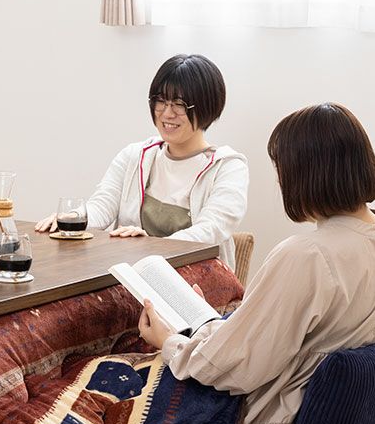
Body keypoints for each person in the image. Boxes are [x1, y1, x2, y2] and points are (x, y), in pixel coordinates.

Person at [139, 103, 375, 424]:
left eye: (282, 169)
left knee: (135, 382)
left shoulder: (307, 254)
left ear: (307, 172)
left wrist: (168, 342)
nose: (280, 181)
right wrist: (209, 326)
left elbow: (234, 369)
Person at [35, 54, 248, 270]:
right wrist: (72, 218)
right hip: (135, 276)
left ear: (207, 107)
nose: (167, 113)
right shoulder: (135, 156)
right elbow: (102, 205)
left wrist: (151, 248)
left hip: (196, 279)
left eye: (179, 104)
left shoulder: (228, 167)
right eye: (161, 101)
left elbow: (209, 231)